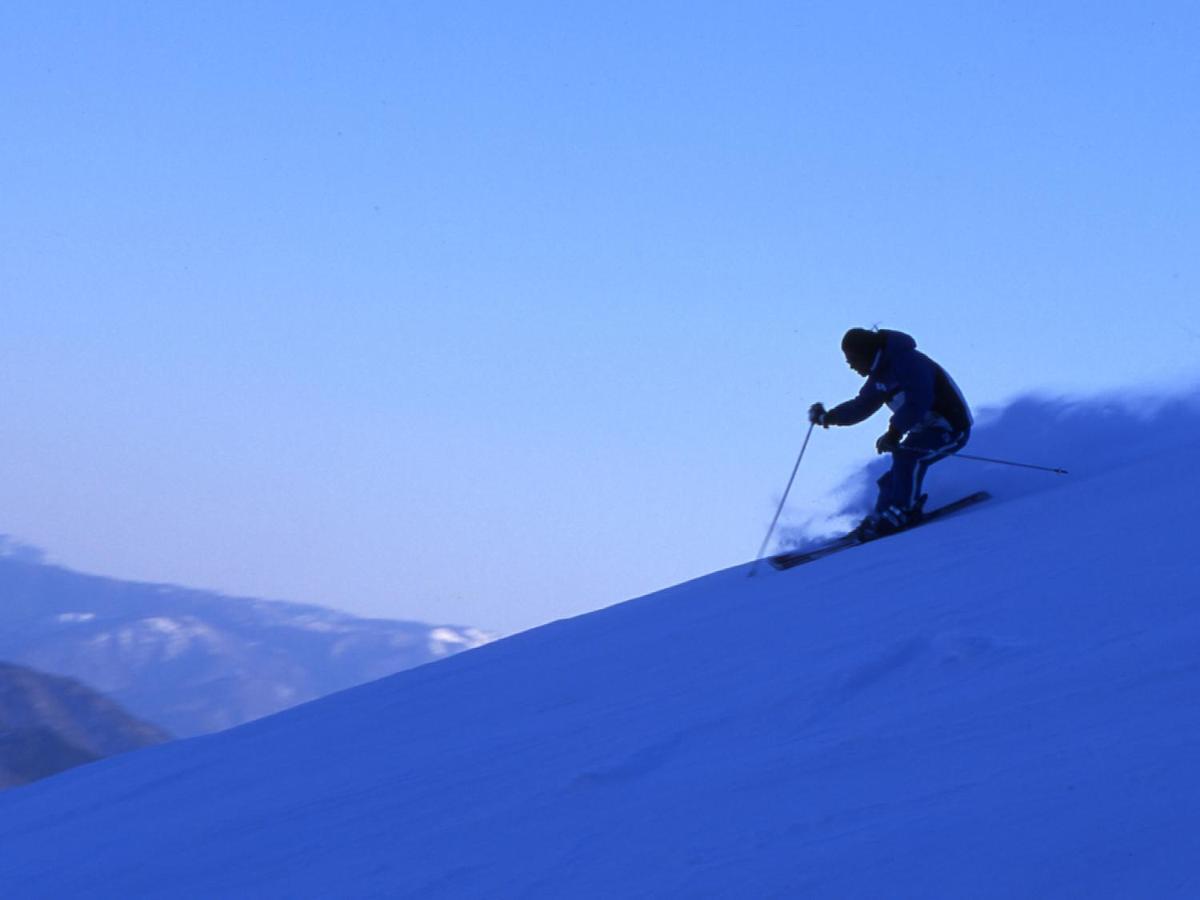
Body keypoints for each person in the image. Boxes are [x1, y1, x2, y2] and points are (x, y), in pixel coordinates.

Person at [808, 328, 973, 537]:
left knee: (908, 458)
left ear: (867, 353)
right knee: (891, 478)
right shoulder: (880, 376)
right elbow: (861, 406)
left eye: (853, 359)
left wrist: (894, 433)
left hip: (950, 427)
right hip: (924, 430)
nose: (850, 366)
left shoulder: (908, 362)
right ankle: (882, 517)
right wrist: (828, 417)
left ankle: (904, 511)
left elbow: (919, 401)